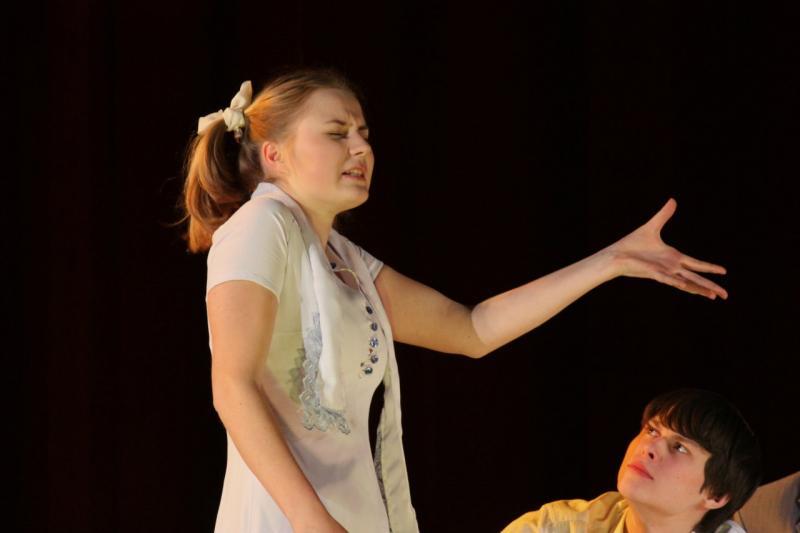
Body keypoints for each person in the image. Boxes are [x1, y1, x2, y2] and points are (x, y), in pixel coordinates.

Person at [179, 66, 730, 533]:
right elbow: (232, 385)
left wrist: (612, 261)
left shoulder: (346, 261)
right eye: (337, 133)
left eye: (364, 133)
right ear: (274, 154)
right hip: (287, 520)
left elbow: (473, 329)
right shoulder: (260, 224)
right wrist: (314, 522)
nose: (361, 148)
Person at [502, 389, 762, 533]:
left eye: (679, 447)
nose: (649, 447)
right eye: (652, 430)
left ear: (716, 495)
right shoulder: (558, 528)